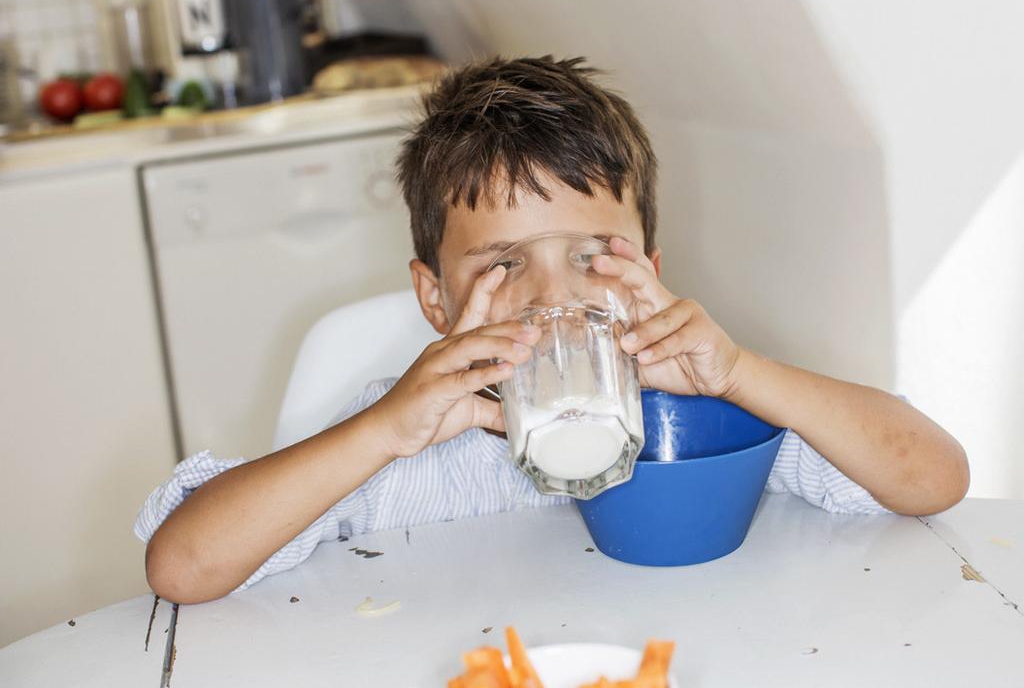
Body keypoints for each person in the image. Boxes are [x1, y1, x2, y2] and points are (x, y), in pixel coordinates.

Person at [137, 56, 969, 604]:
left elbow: (934, 476)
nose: (550, 293)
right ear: (435, 299)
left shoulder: (684, 407)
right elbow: (183, 567)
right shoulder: (406, 437)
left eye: (591, 254)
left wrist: (740, 373)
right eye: (502, 264)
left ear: (646, 263)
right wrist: (381, 431)